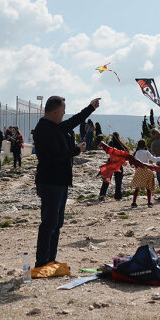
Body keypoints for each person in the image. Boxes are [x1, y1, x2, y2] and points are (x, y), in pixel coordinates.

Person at [32, 95, 99, 268]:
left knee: (57, 222)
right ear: (54, 112)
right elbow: (55, 156)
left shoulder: (55, 126)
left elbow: (74, 121)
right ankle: (42, 262)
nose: (64, 114)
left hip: (60, 182)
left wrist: (90, 107)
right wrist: (76, 150)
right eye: (62, 111)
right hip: (50, 182)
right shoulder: (44, 129)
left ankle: (50, 259)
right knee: (49, 222)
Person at [129, 139, 160, 208]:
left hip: (139, 170)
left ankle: (134, 202)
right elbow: (155, 159)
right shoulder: (146, 152)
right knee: (148, 187)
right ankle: (149, 202)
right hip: (147, 169)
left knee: (137, 187)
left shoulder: (136, 153)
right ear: (144, 145)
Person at [99, 132, 127, 201]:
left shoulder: (111, 143)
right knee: (118, 181)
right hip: (118, 164)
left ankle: (102, 194)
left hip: (110, 162)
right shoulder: (121, 144)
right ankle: (118, 195)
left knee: (106, 180)